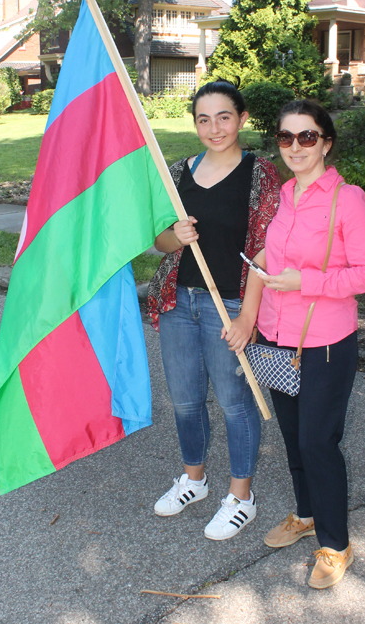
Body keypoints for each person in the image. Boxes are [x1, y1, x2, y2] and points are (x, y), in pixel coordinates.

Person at [256, 100, 365, 588]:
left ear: (326, 142)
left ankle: (334, 545)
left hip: (327, 342)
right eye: (285, 137)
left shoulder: (346, 199)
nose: (295, 146)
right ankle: (306, 514)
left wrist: (303, 281)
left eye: (306, 137)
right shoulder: (284, 195)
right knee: (293, 439)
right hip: (278, 338)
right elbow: (276, 259)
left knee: (317, 441)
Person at [147, 80, 280, 541]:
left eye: (224, 117)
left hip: (231, 303)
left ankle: (241, 497)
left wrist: (248, 316)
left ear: (241, 119)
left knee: (234, 403)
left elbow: (267, 250)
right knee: (184, 401)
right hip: (178, 301)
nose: (214, 127)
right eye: (203, 119)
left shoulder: (259, 173)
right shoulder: (180, 171)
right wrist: (174, 236)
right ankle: (194, 480)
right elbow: (159, 242)